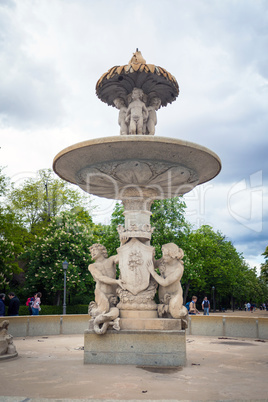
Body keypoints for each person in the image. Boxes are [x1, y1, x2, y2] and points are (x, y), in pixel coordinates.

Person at [147, 243, 188, 326]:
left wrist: (152, 272)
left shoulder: (178, 268)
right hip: (163, 296)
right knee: (164, 316)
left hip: (174, 295)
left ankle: (184, 311)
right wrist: (152, 255)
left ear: (172, 255)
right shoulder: (164, 260)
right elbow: (154, 264)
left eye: (166, 255)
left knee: (175, 313)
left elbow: (164, 282)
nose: (163, 257)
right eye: (163, 255)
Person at [88, 244, 125, 334]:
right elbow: (100, 277)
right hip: (101, 295)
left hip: (112, 297)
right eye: (91, 252)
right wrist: (117, 282)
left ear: (102, 251)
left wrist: (123, 242)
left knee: (114, 312)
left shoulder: (111, 260)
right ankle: (103, 322)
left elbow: (123, 254)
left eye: (94, 250)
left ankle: (107, 322)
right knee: (101, 312)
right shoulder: (92, 266)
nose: (92, 253)